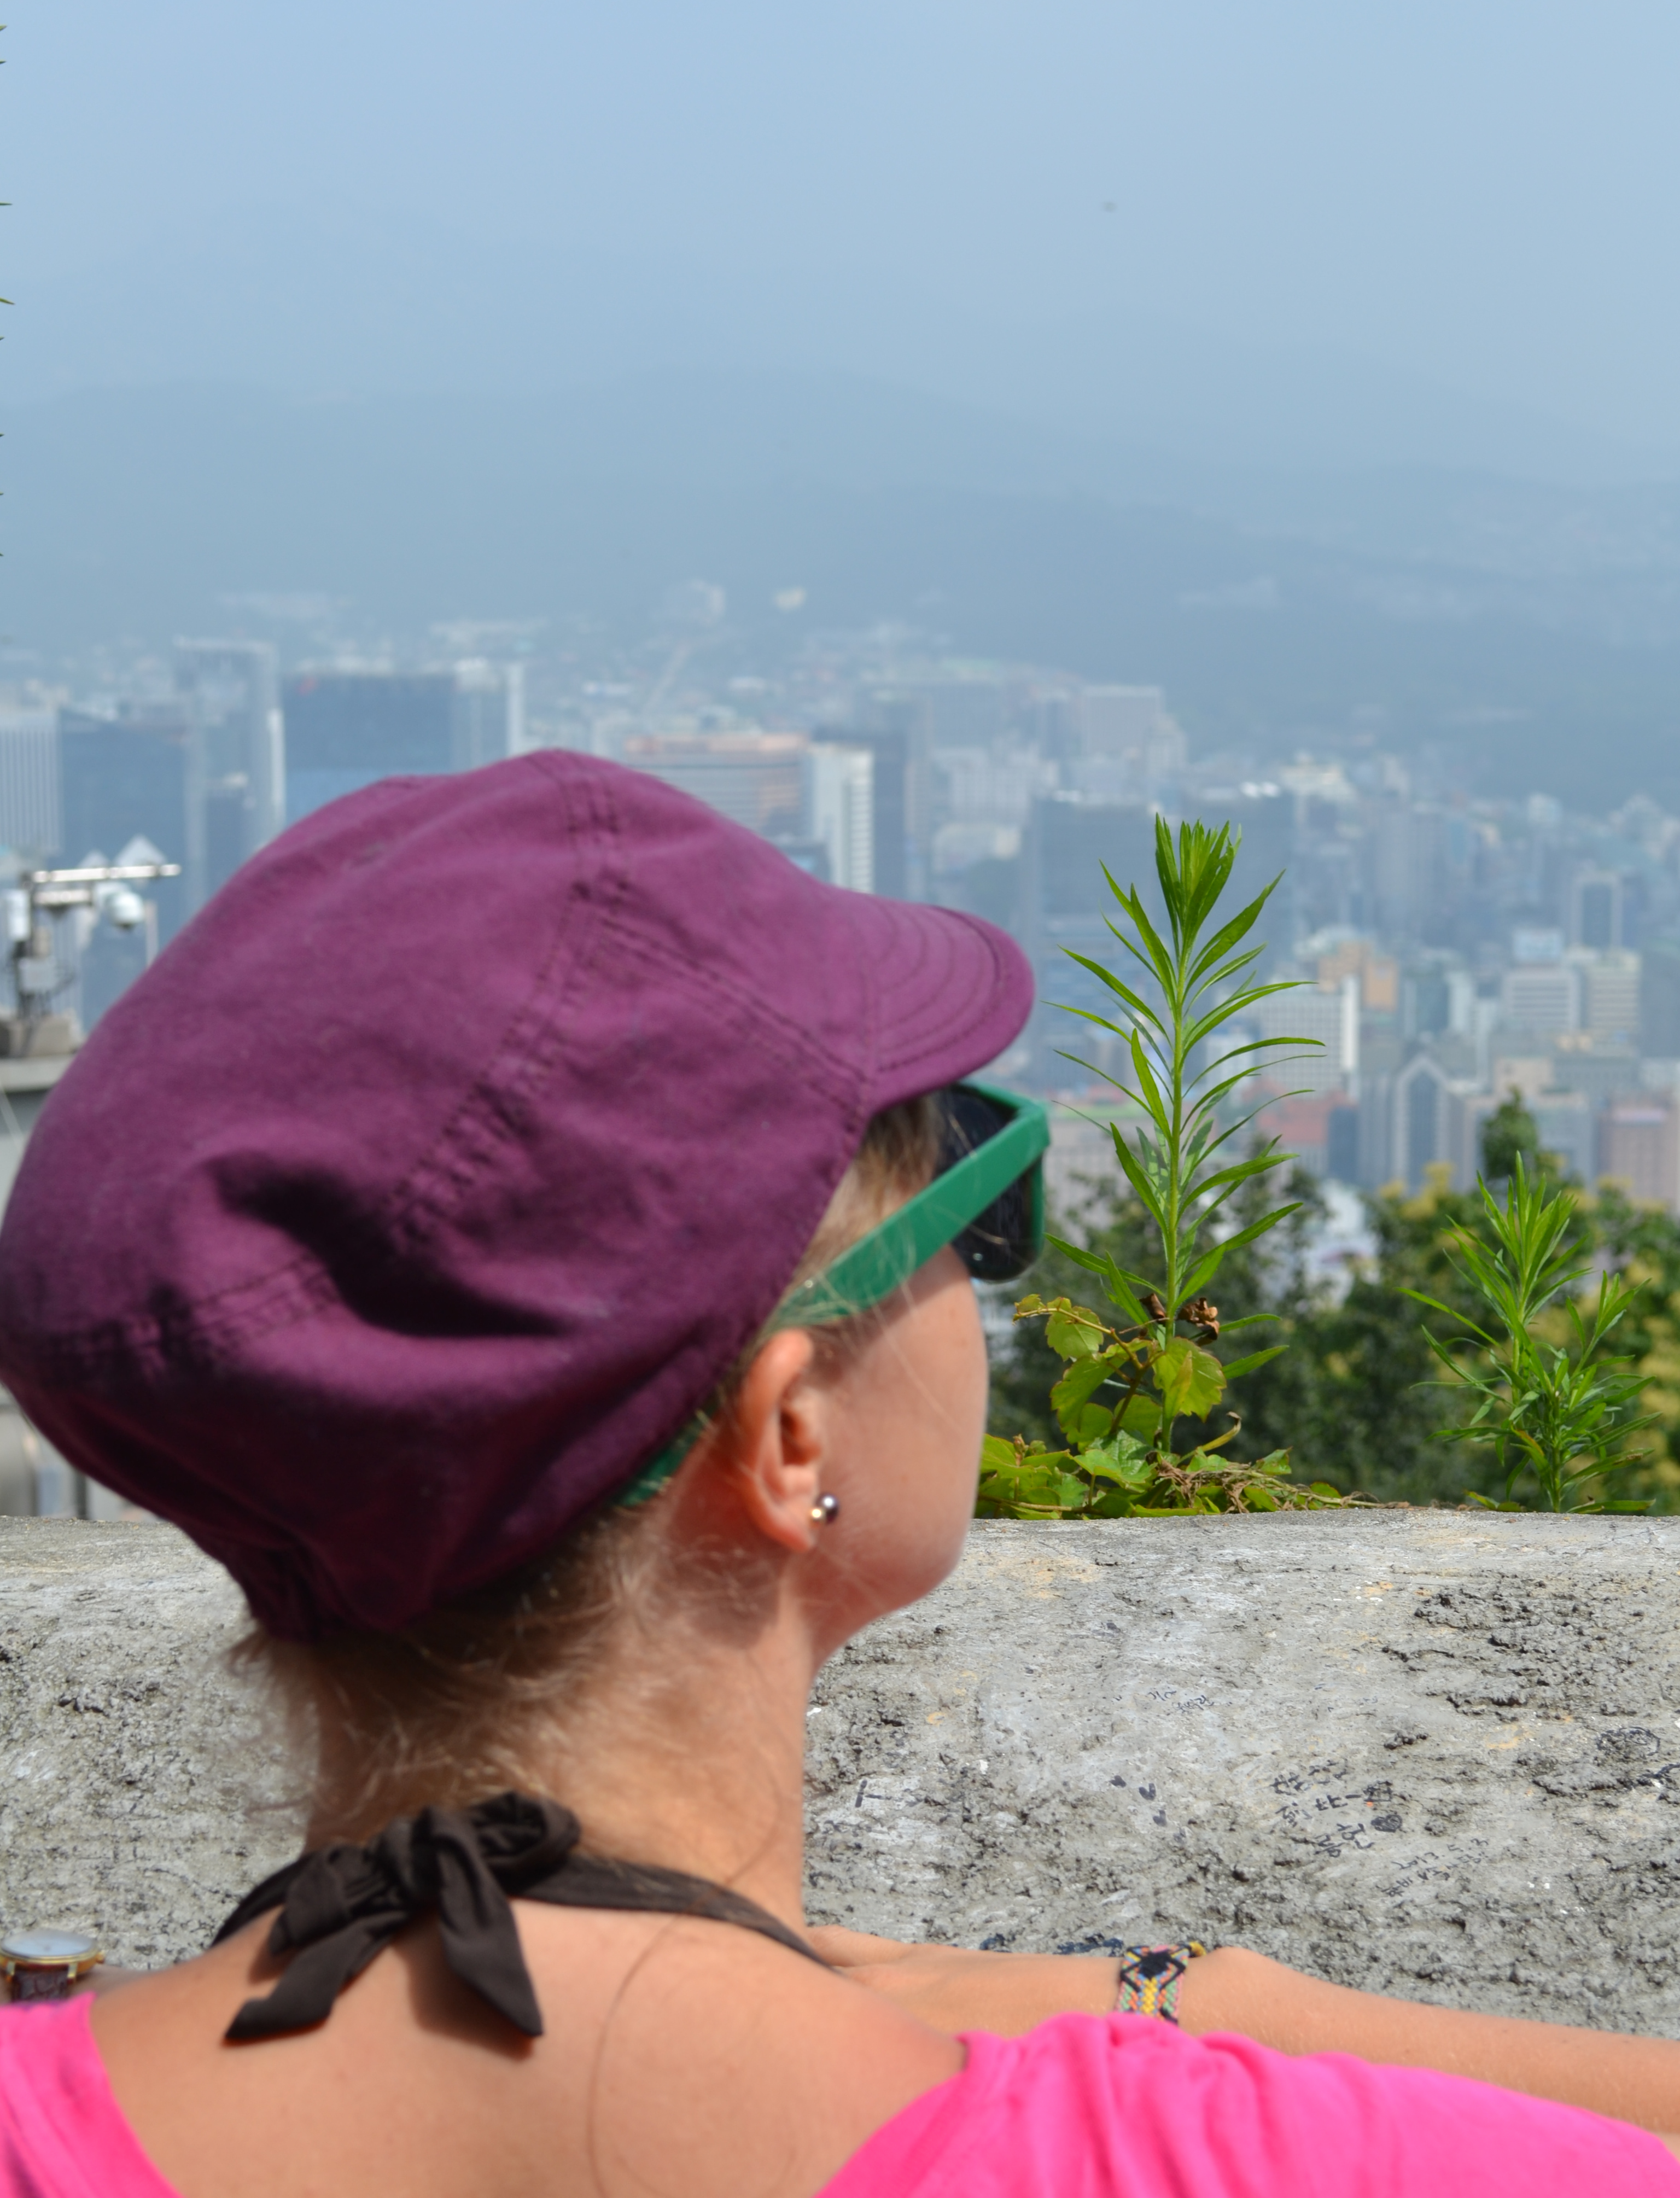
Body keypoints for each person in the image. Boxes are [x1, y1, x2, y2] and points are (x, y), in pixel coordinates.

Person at [0, 750, 1675, 2198]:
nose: (988, 1262)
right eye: (970, 1196)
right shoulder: (1205, 2155)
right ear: (789, 1428)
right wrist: (1202, 2017)